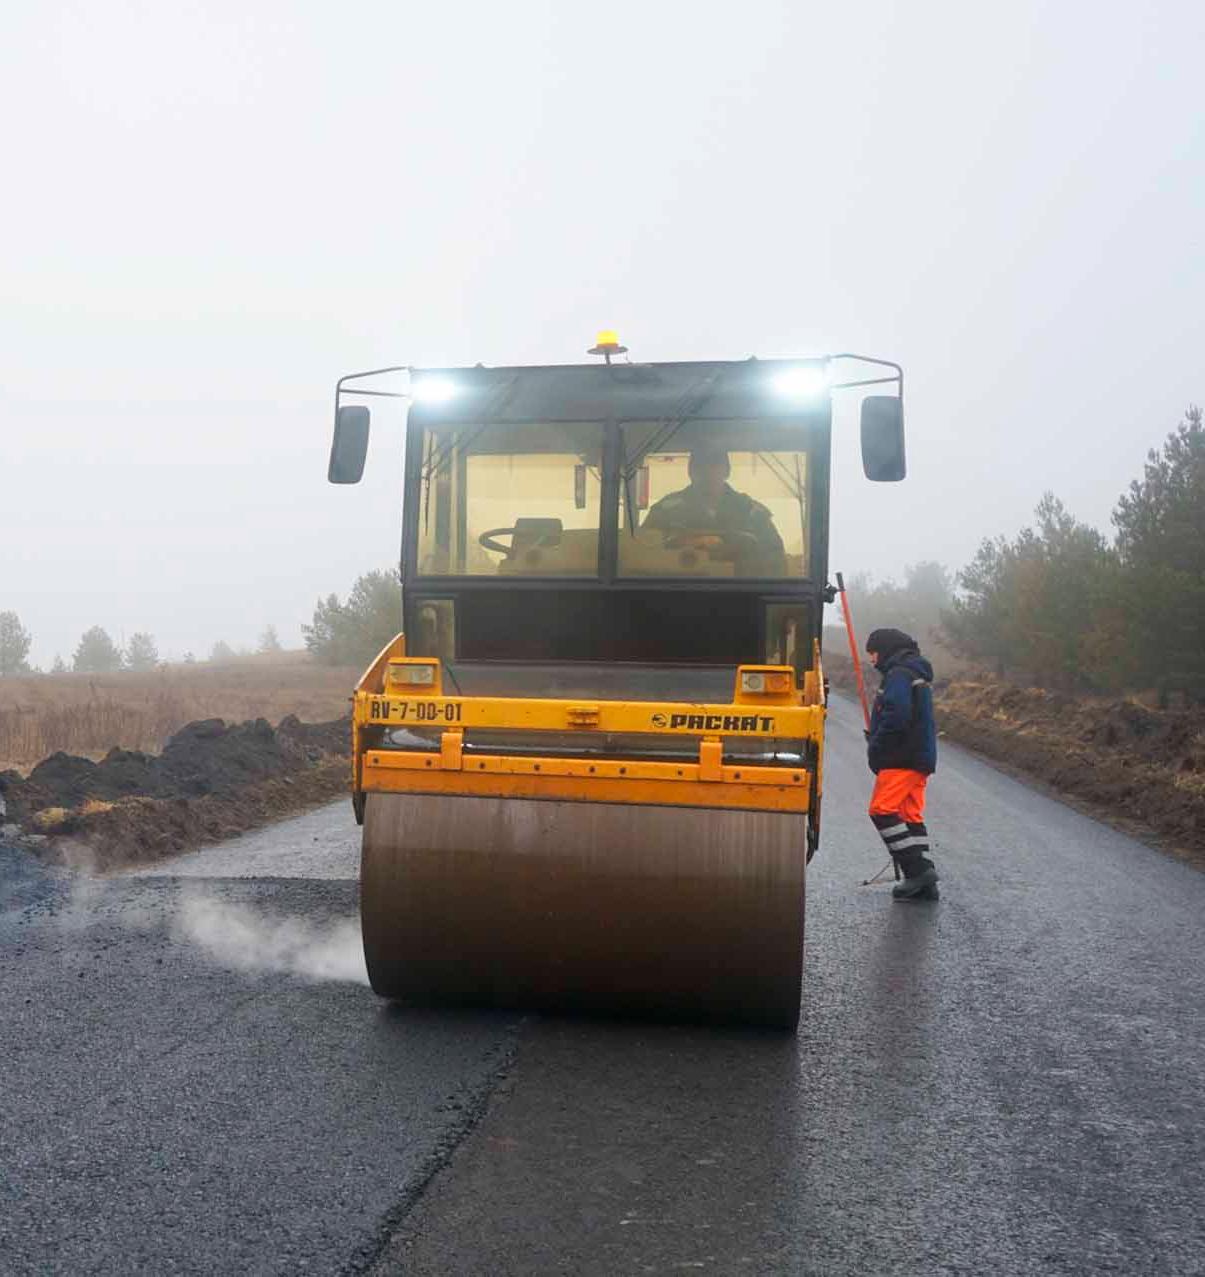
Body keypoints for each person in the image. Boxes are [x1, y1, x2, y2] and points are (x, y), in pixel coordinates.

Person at [865, 628, 939, 901]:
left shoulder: (898, 674)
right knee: (910, 817)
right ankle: (924, 885)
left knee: (881, 810)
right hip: (920, 757)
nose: (872, 660)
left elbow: (896, 715)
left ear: (884, 650)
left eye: (873, 653)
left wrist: (877, 744)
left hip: (901, 757)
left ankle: (917, 871)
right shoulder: (915, 672)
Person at [641, 446, 786, 575]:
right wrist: (684, 545)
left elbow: (776, 564)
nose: (708, 471)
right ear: (691, 470)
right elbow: (641, 556)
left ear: (727, 470)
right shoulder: (665, 512)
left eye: (715, 464)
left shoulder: (752, 513)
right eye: (701, 465)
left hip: (741, 597)